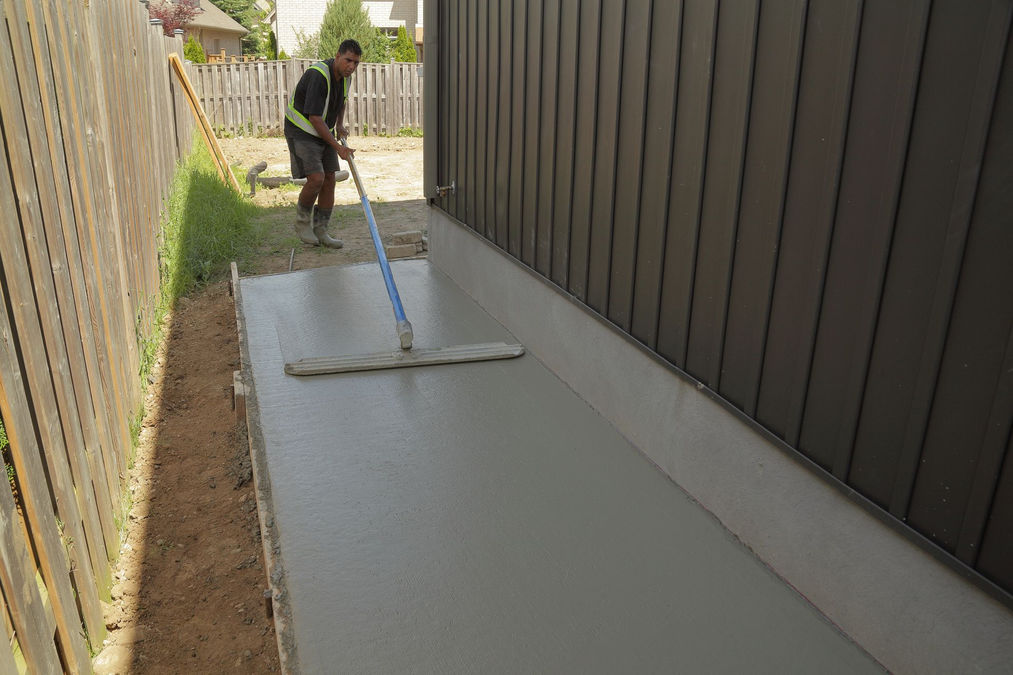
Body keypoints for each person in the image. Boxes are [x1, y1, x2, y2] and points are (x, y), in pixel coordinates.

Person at [284, 39, 362, 248]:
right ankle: (302, 223)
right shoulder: (318, 75)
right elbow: (314, 118)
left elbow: (341, 101)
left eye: (356, 63)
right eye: (348, 60)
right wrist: (338, 147)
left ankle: (321, 230)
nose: (351, 66)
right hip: (301, 129)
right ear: (337, 56)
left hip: (322, 129)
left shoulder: (346, 78)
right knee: (316, 178)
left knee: (329, 179)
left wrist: (340, 124)